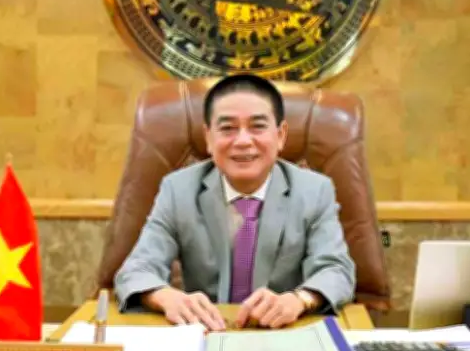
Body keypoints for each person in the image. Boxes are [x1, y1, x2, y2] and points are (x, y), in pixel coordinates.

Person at [113, 74, 356, 330]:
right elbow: (136, 270)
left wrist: (299, 300)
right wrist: (167, 297)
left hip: (282, 333)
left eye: (257, 126)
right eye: (228, 128)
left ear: (281, 135)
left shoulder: (314, 191)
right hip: (206, 331)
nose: (242, 141)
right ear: (208, 137)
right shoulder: (178, 190)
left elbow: (337, 270)